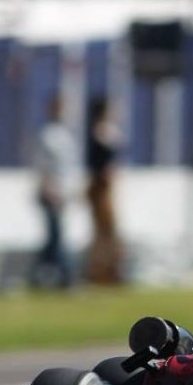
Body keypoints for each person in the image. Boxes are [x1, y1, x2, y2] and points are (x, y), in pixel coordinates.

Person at [28, 96, 79, 289]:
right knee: (56, 236)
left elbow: (68, 168)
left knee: (53, 239)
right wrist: (50, 189)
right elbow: (43, 166)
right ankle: (67, 278)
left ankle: (36, 276)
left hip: (63, 191)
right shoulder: (48, 135)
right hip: (51, 192)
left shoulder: (64, 134)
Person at [83, 97, 124, 284]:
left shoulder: (104, 131)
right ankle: (102, 273)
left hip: (105, 187)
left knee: (108, 231)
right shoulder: (99, 132)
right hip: (100, 186)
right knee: (104, 231)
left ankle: (108, 271)